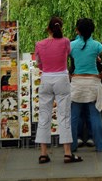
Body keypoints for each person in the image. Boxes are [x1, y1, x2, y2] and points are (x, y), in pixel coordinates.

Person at [34, 16, 82, 164]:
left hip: (46, 78)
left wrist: (46, 69)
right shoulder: (66, 41)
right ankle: (67, 152)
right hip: (62, 78)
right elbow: (67, 55)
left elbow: (39, 64)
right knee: (64, 115)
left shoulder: (39, 44)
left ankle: (43, 153)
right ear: (60, 28)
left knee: (44, 115)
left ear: (48, 28)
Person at [69, 18, 102, 152]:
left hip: (77, 82)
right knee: (95, 115)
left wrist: (68, 74)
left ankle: (71, 145)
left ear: (78, 31)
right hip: (93, 82)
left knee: (74, 117)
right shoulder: (96, 45)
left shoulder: (72, 45)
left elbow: (62, 60)